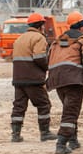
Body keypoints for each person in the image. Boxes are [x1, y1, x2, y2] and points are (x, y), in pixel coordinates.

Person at [46, 11, 83, 154]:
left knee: (69, 109)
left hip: (57, 80)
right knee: (70, 112)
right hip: (73, 80)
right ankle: (61, 143)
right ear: (82, 26)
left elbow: (48, 59)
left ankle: (73, 140)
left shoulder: (58, 41)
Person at [10, 12, 57, 143]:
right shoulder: (39, 38)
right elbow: (39, 57)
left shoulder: (20, 38)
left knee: (19, 106)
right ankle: (45, 132)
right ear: (41, 25)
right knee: (44, 104)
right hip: (33, 79)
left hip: (18, 78)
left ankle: (15, 134)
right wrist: (48, 67)